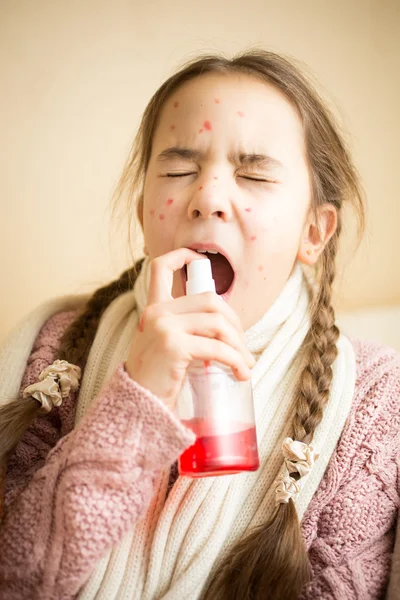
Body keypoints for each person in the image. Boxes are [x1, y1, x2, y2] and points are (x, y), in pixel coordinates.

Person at [0, 49, 398, 600]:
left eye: (255, 174)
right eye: (178, 170)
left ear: (314, 232)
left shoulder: (375, 403)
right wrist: (136, 402)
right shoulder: (55, 355)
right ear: (143, 212)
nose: (208, 198)